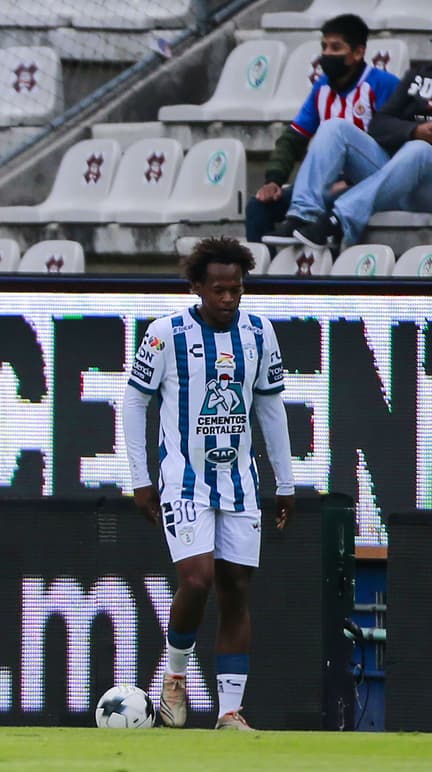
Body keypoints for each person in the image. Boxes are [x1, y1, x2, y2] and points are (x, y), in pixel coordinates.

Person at [121, 236, 295, 731]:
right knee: (196, 578)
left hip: (239, 480)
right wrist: (139, 478)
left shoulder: (260, 333)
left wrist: (286, 482)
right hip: (184, 480)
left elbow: (270, 407)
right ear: (197, 286)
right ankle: (175, 681)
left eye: (235, 289)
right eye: (217, 289)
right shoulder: (165, 333)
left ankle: (229, 712)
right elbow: (134, 402)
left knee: (235, 587)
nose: (227, 299)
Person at [259, 15, 399, 244]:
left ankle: (310, 232)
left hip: (379, 177)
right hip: (332, 182)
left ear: (358, 53)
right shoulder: (322, 87)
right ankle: (257, 272)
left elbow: (398, 141)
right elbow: (293, 138)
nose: (327, 54)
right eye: (324, 47)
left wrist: (349, 180)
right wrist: (273, 180)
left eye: (336, 47)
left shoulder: (383, 84)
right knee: (260, 206)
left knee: (335, 129)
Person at [293, 59, 432, 249]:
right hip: (398, 178)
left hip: (427, 189)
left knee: (420, 149)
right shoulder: (418, 75)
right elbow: (379, 125)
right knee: (335, 128)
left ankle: (338, 220)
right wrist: (414, 130)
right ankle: (302, 215)